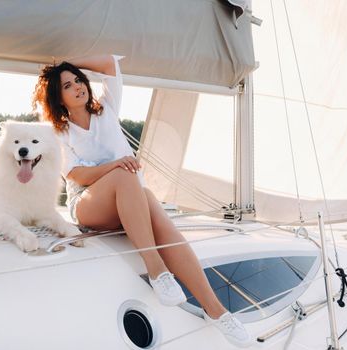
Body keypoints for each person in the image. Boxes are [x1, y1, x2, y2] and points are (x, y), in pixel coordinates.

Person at [32, 54, 252, 347]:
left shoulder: (106, 111)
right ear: (57, 99)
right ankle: (156, 269)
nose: (78, 87)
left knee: (162, 223)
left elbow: (110, 64)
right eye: (67, 86)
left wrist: (65, 62)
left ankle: (217, 311)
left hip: (130, 198)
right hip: (87, 205)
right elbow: (78, 175)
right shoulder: (59, 132)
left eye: (78, 80)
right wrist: (116, 164)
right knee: (126, 176)